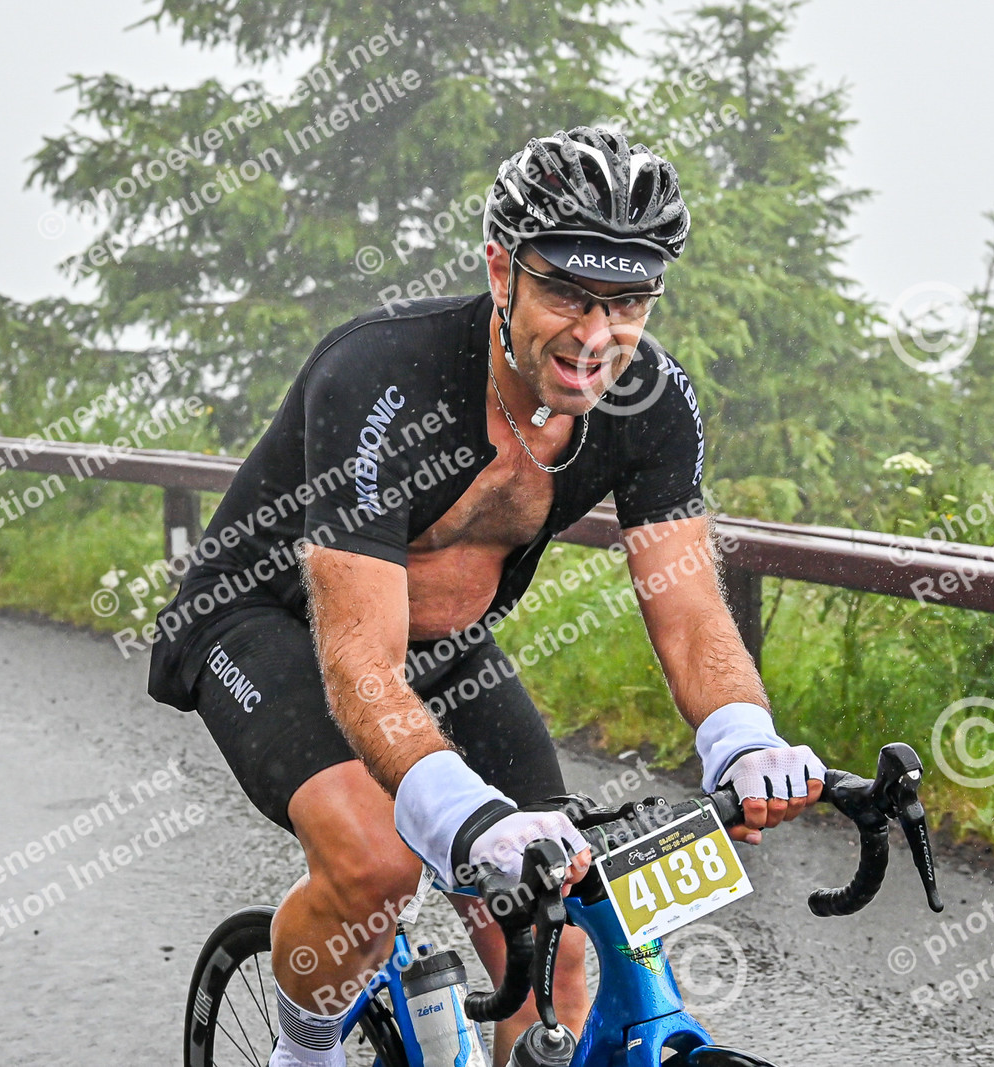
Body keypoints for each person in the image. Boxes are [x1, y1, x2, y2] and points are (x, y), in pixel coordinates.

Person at [146, 126, 825, 1067]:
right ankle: (304, 1051)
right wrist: (457, 810)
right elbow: (358, 657)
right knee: (379, 863)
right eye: (567, 293)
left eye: (627, 301)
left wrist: (743, 736)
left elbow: (691, 611)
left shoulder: (651, 400)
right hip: (267, 623)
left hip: (444, 646)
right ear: (502, 270)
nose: (596, 336)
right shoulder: (382, 375)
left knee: (560, 936)